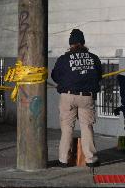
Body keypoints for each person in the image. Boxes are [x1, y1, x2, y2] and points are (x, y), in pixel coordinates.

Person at [51, 29, 102, 168]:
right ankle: (91, 159)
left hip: (68, 96)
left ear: (71, 44)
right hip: (87, 97)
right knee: (87, 127)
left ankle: (63, 160)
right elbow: (99, 76)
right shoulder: (93, 58)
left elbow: (55, 76)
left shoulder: (64, 59)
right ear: (83, 43)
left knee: (67, 128)